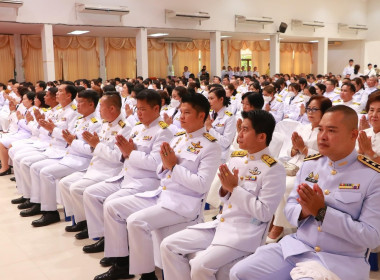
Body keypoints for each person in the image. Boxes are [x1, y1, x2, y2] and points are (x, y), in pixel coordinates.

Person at [230, 105, 380, 280]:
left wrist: (322, 212)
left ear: (353, 135)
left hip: (338, 259)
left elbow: (372, 237)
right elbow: (290, 208)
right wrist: (305, 211)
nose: (322, 136)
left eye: (331, 130)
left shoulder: (372, 176)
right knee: (239, 273)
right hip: (297, 248)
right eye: (320, 129)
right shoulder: (310, 164)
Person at [93, 93, 221, 280]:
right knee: (113, 206)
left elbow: (201, 185)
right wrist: (167, 166)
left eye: (187, 113)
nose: (181, 117)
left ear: (201, 116)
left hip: (184, 204)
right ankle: (121, 262)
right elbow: (160, 170)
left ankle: (147, 275)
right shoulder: (178, 137)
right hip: (163, 194)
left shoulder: (210, 146)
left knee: (136, 221)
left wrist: (173, 167)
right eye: (181, 112)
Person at [160, 109, 286, 280]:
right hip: (220, 224)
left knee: (200, 265)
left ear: (261, 136)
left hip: (243, 233)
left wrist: (234, 189)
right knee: (168, 245)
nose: (239, 134)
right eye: (240, 128)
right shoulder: (237, 158)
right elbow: (226, 199)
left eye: (245, 130)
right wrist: (226, 190)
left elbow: (264, 213)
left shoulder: (274, 169)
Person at [79, 89, 173, 260]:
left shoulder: (163, 131)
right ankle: (107, 239)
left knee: (110, 203)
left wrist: (129, 153)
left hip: (145, 182)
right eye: (138, 109)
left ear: (157, 109)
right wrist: (126, 153)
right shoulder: (138, 128)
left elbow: (155, 164)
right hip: (125, 176)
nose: (139, 113)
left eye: (143, 109)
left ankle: (120, 257)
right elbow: (123, 155)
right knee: (91, 193)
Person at [58, 92, 132, 239]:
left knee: (77, 188)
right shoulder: (106, 124)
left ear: (112, 109)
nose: (99, 111)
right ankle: (83, 221)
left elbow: (117, 158)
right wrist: (95, 146)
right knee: (65, 183)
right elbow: (96, 149)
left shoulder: (125, 128)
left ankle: (98, 232)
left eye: (101, 108)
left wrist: (96, 145)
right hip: (95, 167)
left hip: (110, 171)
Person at [28, 90, 101, 227]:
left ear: (91, 104)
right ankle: (76, 217)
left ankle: (50, 212)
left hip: (82, 160)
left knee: (46, 173)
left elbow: (91, 150)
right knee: (43, 171)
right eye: (77, 101)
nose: (77, 105)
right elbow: (67, 137)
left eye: (81, 102)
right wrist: (53, 130)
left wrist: (72, 141)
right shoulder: (80, 120)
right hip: (70, 155)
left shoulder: (95, 123)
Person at [268, 96, 332, 242]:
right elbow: (290, 152)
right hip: (292, 165)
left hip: (313, 170)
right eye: (308, 108)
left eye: (314, 109)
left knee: (287, 185)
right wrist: (295, 148)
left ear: (325, 111)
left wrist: (303, 148)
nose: (310, 112)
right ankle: (269, 220)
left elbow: (326, 157)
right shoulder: (302, 127)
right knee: (270, 178)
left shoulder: (327, 132)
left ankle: (279, 227)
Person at [205, 87, 236, 162]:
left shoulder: (229, 117)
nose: (209, 101)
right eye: (208, 98)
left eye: (212, 99)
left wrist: (210, 128)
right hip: (206, 150)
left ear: (221, 99)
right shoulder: (209, 114)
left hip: (219, 156)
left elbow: (226, 142)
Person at [358, 93, 380, 163]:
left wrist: (369, 152)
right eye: (371, 110)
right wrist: (360, 151)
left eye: (379, 111)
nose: (374, 115)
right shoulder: (364, 133)